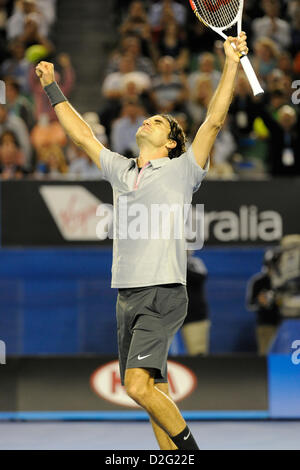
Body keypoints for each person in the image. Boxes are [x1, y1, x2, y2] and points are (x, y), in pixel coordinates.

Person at [35, 32, 249, 450]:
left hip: (163, 291)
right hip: (126, 295)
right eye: (147, 118)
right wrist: (50, 86)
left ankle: (190, 453)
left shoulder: (184, 169)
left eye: (160, 121)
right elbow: (82, 135)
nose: (148, 120)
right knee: (153, 394)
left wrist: (231, 62)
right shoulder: (121, 169)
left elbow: (214, 120)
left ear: (171, 142)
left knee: (135, 386)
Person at [246, 250, 282, 355]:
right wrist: (260, 301)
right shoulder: (258, 282)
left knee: (286, 355)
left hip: (285, 324)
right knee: (266, 355)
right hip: (266, 325)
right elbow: (250, 304)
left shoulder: (286, 281)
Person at [181, 252, 210, 356]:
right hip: (167, 315)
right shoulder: (165, 263)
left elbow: (201, 278)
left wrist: (181, 266)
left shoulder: (194, 263)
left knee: (197, 352)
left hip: (193, 316)